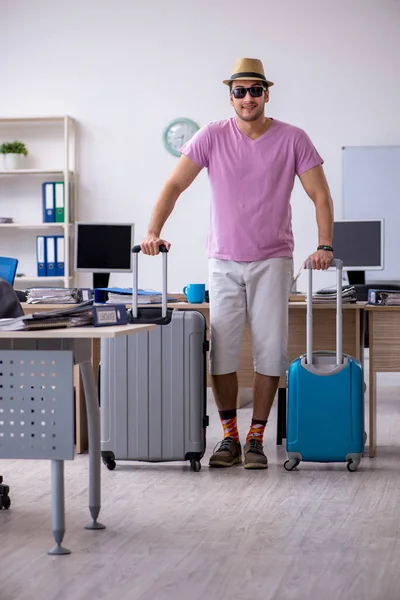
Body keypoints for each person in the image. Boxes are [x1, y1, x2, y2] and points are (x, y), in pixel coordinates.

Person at [140, 57, 334, 470]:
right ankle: (228, 437)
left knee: (270, 352)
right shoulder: (211, 136)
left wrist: (325, 245)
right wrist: (153, 231)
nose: (247, 98)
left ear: (267, 93)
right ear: (230, 96)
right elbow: (174, 184)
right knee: (222, 356)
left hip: (273, 260)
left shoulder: (293, 138)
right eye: (239, 91)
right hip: (223, 260)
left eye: (255, 90)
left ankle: (256, 438)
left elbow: (320, 194)